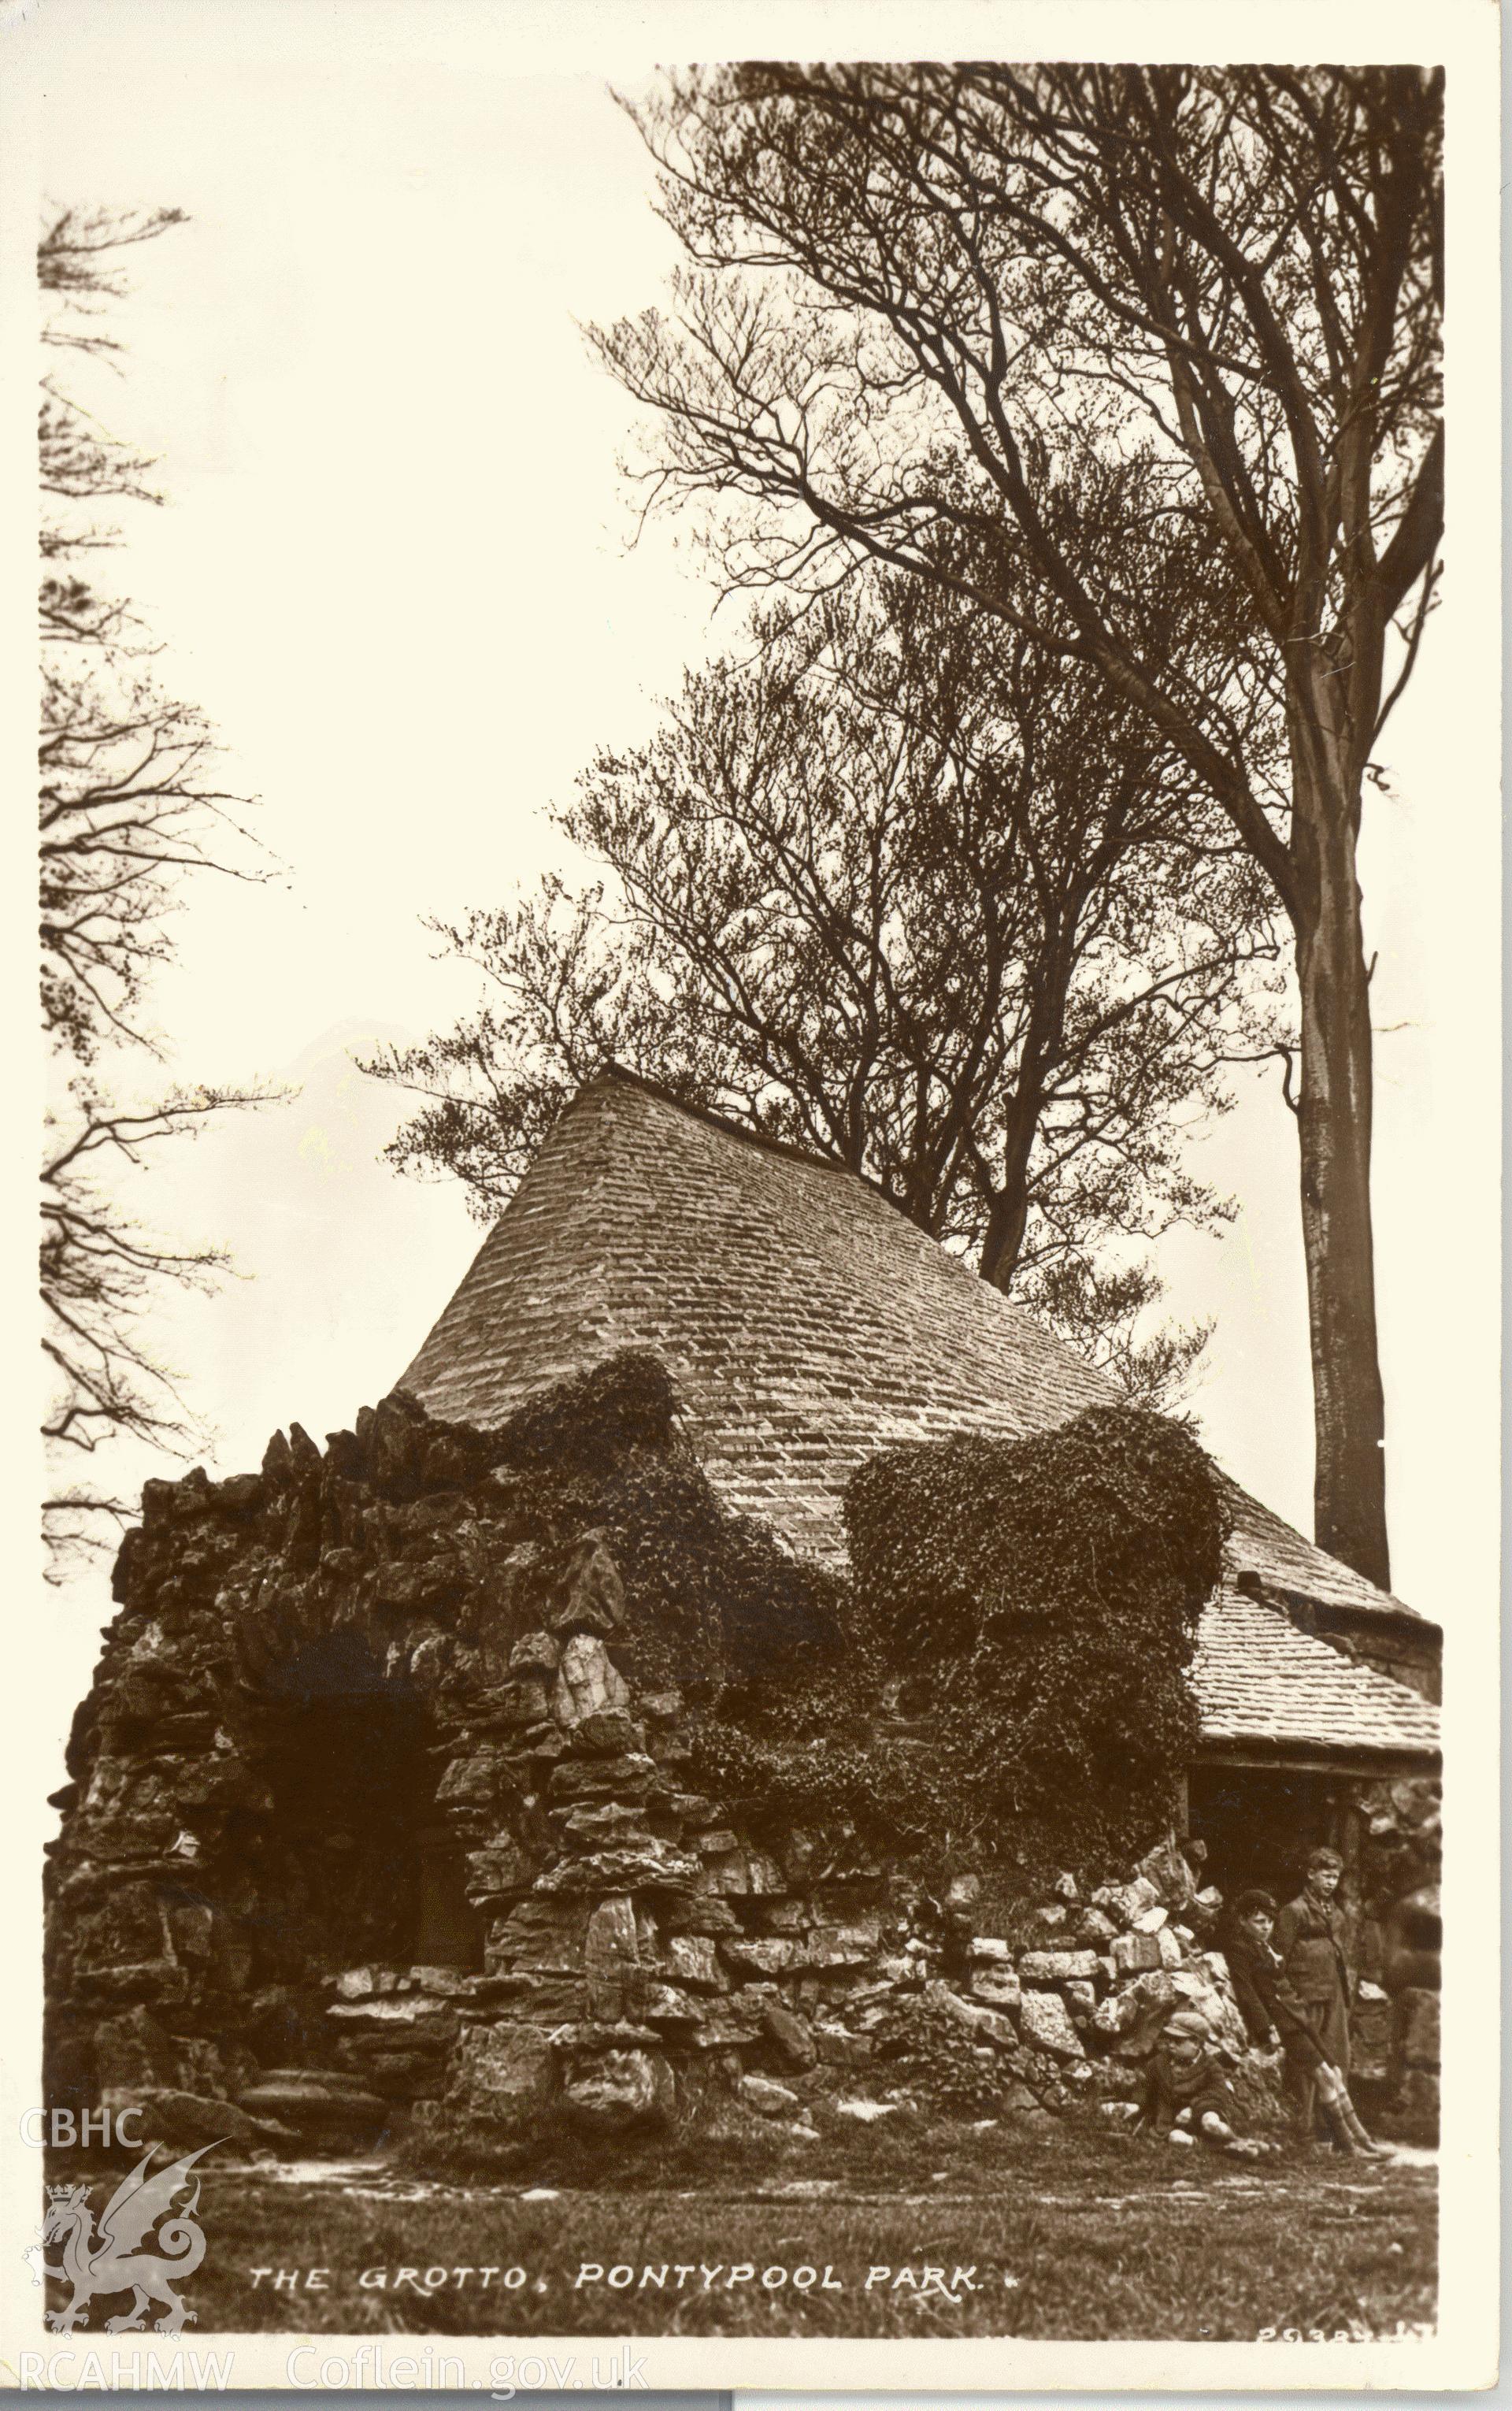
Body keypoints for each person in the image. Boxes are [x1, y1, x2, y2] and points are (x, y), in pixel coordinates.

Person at [1225, 1886, 1391, 2157]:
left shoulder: (1262, 1946)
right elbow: (1247, 1992)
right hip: (1283, 2023)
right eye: (1258, 1921)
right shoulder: (1240, 1949)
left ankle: (1364, 2140)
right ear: (1243, 1921)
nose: (1265, 1927)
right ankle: (1349, 2146)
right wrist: (1266, 2028)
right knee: (1325, 2077)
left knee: (1334, 2073)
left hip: (1297, 2016)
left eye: (1268, 1921)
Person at [1272, 1846, 1367, 2143]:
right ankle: (1306, 2126)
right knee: (1309, 2062)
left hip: (1333, 1991)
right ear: (1311, 1874)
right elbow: (1279, 1958)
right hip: (1306, 1992)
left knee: (1338, 2054)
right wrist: (1288, 1997)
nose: (1330, 1883)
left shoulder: (1334, 1911)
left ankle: (1334, 2126)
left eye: (1335, 1877)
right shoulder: (1294, 1911)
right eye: (1325, 1876)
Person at [1137, 2009, 1267, 2157]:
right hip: (1172, 2119)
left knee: (1212, 2123)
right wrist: (1136, 2104)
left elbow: (1217, 2094)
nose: (1171, 2045)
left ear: (1196, 2043)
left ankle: (1236, 2140)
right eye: (1170, 2040)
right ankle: (1224, 2148)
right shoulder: (1158, 2063)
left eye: (1178, 2041)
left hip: (1202, 2114)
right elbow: (1145, 2087)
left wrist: (1193, 2109)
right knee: (1177, 2139)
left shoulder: (1211, 2066)